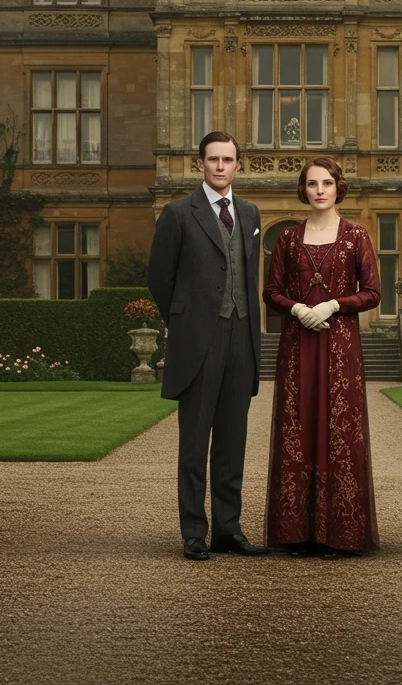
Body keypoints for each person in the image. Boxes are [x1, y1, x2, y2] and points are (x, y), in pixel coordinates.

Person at [148, 132, 269, 561]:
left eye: (228, 159)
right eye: (213, 159)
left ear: (239, 165)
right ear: (200, 164)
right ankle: (194, 533)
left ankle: (228, 530)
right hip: (199, 339)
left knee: (233, 443)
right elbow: (160, 279)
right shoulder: (179, 213)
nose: (220, 166)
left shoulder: (251, 213)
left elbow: (248, 276)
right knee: (195, 443)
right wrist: (185, 323)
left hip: (242, 337)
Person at [263, 157, 382, 557]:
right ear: (303, 189)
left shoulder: (356, 236)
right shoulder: (288, 239)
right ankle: (297, 533)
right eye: (312, 184)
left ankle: (340, 534)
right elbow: (271, 291)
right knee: (299, 426)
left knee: (338, 429)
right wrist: (296, 309)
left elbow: (373, 293)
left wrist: (333, 305)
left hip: (340, 344)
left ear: (337, 188)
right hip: (298, 344)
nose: (319, 190)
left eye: (326, 183)